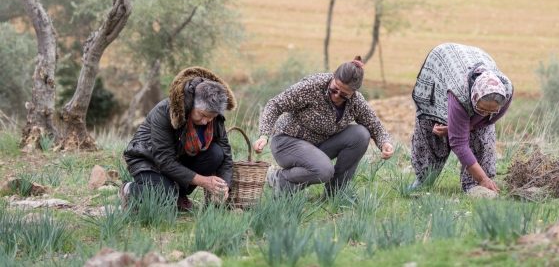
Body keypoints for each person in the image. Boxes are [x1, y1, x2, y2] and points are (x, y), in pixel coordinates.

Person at [253, 57, 394, 195]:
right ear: (333, 77)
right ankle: (277, 177)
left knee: (361, 134)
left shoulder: (356, 102)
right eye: (334, 89)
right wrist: (264, 135)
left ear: (353, 93)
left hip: (317, 146)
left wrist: (384, 143)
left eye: (344, 95)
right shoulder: (312, 87)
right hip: (288, 142)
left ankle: (335, 194)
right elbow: (275, 105)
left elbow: (374, 125)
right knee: (324, 170)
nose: (337, 96)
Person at [121, 67, 235, 211]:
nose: (206, 121)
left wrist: (224, 186)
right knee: (166, 197)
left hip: (178, 159)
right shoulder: (165, 112)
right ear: (192, 103)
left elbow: (225, 153)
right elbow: (164, 160)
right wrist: (204, 181)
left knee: (216, 153)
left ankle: (179, 194)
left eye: (211, 117)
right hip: (147, 159)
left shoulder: (214, 116)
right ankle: (129, 190)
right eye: (202, 115)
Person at [410, 43, 513, 198]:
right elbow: (459, 143)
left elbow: (487, 121)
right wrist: (455, 129)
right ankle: (424, 180)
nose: (485, 113)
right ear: (473, 98)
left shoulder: (505, 93)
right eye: (481, 109)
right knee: (433, 130)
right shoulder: (460, 93)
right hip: (442, 64)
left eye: (491, 111)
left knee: (482, 134)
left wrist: (466, 126)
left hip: (475, 59)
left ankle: (474, 186)